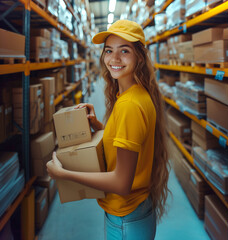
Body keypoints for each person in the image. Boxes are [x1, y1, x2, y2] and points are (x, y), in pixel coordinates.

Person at [47, 19, 170, 240]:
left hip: (125, 218)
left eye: (125, 51)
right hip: (136, 210)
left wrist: (63, 174)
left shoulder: (129, 106)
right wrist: (101, 127)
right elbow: (131, 142)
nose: (114, 59)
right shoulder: (136, 93)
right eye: (108, 51)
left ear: (139, 56)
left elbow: (121, 183)